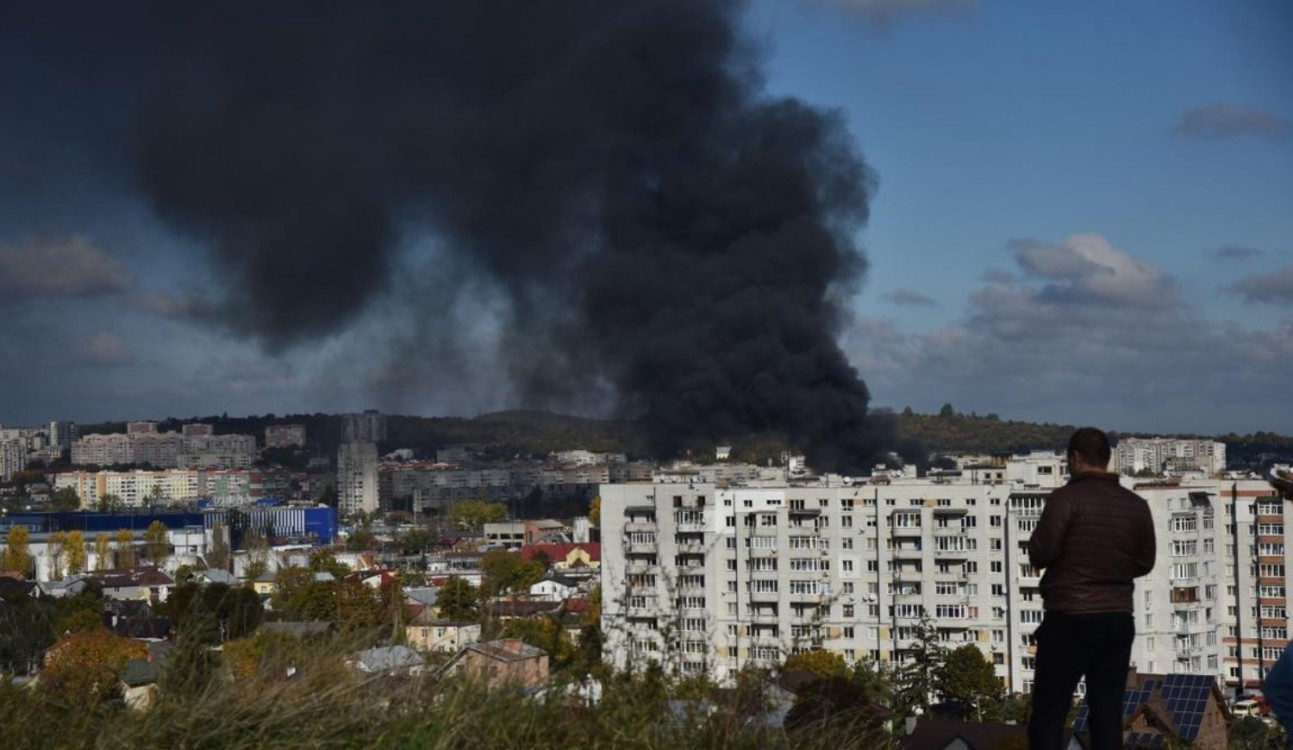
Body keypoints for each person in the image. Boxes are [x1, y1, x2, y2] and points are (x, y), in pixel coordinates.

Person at [1027, 427, 1157, 750]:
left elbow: (1040, 553)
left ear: (1074, 458)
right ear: (1108, 459)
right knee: (1107, 713)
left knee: (1049, 714)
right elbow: (1145, 562)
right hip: (1116, 619)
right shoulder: (1136, 505)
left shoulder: (1065, 499)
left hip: (1069, 618)